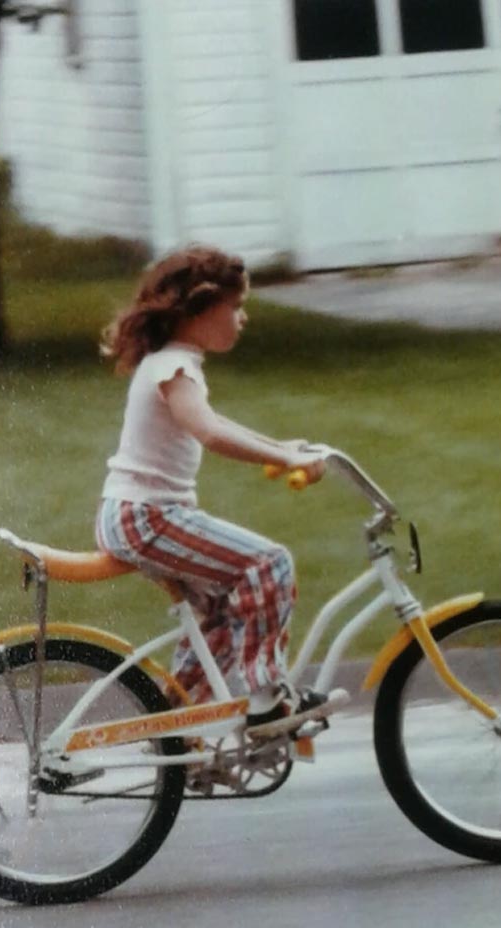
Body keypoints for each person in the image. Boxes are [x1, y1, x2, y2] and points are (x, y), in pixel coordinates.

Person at [95, 245, 326, 725]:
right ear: (199, 310)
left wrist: (280, 446)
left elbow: (214, 421)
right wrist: (284, 458)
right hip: (147, 516)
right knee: (270, 564)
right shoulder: (172, 367)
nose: (243, 317)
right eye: (235, 306)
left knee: (221, 610)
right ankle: (267, 698)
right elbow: (210, 433)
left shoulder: (174, 363)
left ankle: (176, 726)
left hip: (141, 514)